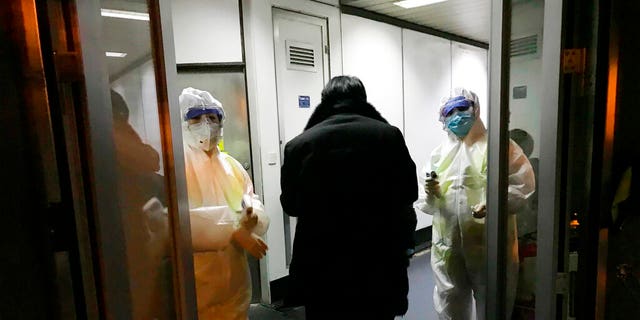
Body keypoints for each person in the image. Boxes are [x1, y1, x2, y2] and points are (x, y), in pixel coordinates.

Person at [280, 76, 418, 319]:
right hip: (377, 259)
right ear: (362, 100)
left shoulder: (299, 145)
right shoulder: (389, 136)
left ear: (324, 103)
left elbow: (291, 205)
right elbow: (408, 193)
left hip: (322, 264)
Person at [415, 88, 535, 320]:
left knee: (492, 300)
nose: (457, 115)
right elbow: (427, 204)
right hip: (448, 247)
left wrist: (493, 203)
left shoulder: (500, 146)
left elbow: (523, 186)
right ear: (443, 118)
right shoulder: (439, 155)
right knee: (450, 300)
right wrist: (431, 193)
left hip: (489, 243)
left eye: (463, 108)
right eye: (450, 111)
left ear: (476, 109)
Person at [180, 87, 269, 320]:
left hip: (235, 285)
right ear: (182, 123)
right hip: (197, 287)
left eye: (212, 117)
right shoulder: (174, 168)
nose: (207, 124)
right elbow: (176, 222)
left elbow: (250, 201)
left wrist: (253, 219)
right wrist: (232, 229)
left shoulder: (231, 166)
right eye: (196, 118)